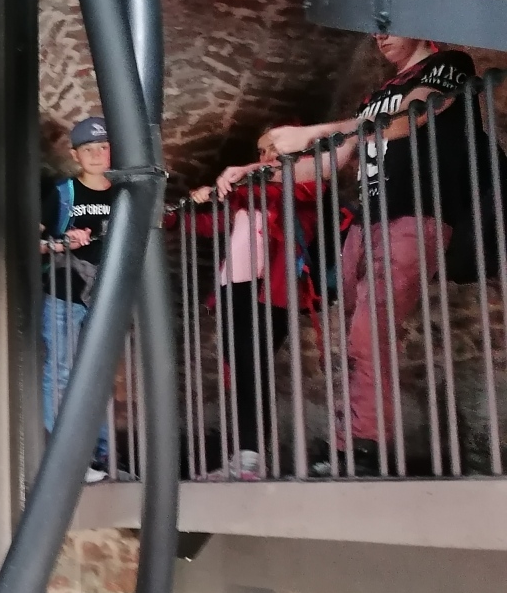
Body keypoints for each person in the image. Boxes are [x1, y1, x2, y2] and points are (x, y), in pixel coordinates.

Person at [232, 35, 480, 476]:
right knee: (352, 334)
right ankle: (349, 443)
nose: (381, 35)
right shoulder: (376, 95)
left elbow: (409, 119)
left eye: (390, 25)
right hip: (368, 221)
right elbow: (329, 162)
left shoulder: (449, 64)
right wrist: (254, 173)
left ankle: (367, 445)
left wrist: (312, 131)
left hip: (416, 210)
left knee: (371, 328)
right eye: (376, 29)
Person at [186, 132, 318, 479]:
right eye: (261, 150)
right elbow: (210, 223)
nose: (265, 155)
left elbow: (287, 191)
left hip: (272, 290)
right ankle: (245, 456)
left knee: (251, 365)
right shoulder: (246, 195)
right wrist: (176, 213)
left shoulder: (304, 181)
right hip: (234, 287)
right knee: (240, 368)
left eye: (273, 147)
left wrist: (233, 184)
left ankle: (252, 457)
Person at [40, 117, 114, 482]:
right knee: (61, 373)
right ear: (75, 155)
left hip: (106, 296)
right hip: (63, 294)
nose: (97, 155)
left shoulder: (123, 193)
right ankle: (68, 457)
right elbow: (33, 242)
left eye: (103, 147)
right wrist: (60, 242)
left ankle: (100, 456)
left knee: (98, 374)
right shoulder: (62, 193)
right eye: (89, 149)